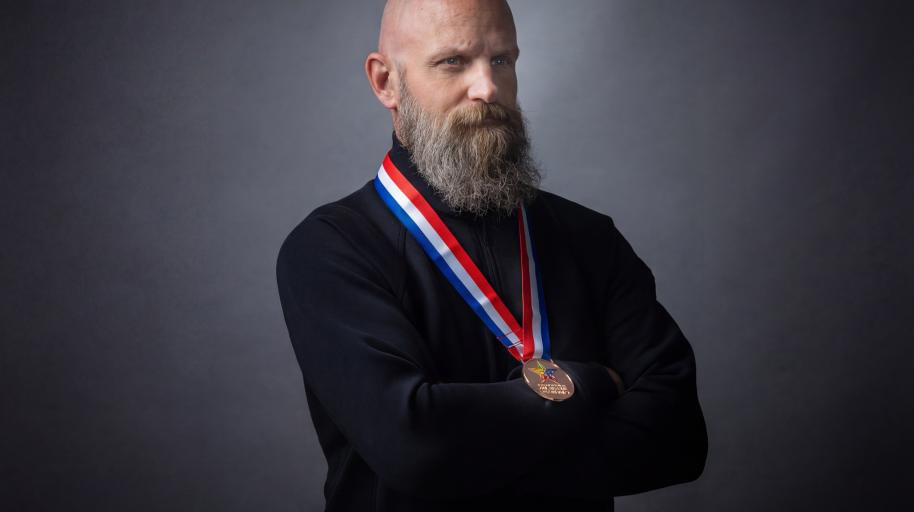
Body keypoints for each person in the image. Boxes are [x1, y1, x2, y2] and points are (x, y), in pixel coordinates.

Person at [276, 1, 707, 510]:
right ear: (385, 81)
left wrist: (469, 456)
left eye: (502, 60)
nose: (488, 88)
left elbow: (678, 437)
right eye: (453, 62)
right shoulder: (331, 249)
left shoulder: (589, 237)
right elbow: (415, 444)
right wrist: (590, 383)